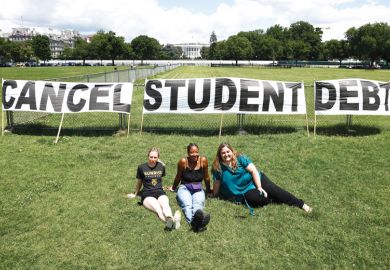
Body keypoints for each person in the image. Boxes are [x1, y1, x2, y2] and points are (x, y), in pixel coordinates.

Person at [211, 143, 313, 213]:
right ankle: (272, 200)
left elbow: (254, 171)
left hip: (256, 180)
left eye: (228, 151)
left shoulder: (240, 158)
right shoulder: (218, 167)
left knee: (276, 190)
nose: (226, 154)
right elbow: (217, 183)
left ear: (232, 151)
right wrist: (214, 194)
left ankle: (301, 204)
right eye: (223, 153)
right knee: (256, 199)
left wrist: (259, 187)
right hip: (244, 192)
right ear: (219, 155)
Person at [127, 147, 181, 230]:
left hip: (160, 192)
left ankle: (170, 220)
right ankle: (173, 221)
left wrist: (160, 162)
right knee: (158, 208)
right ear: (148, 156)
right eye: (151, 157)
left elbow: (163, 167)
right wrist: (135, 193)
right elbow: (139, 182)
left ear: (158, 158)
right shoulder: (141, 167)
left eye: (155, 157)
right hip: (147, 194)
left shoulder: (161, 166)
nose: (153, 159)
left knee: (165, 205)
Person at [170, 143, 211, 232]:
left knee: (198, 204)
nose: (195, 154)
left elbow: (206, 177)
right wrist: (173, 188)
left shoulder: (203, 161)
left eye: (196, 152)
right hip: (184, 188)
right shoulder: (183, 162)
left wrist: (209, 190)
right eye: (192, 152)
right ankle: (197, 224)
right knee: (187, 205)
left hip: (198, 189)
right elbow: (178, 177)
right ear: (188, 153)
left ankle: (195, 224)